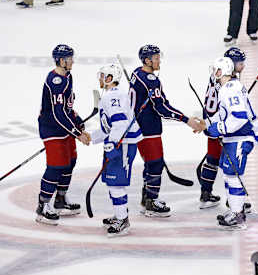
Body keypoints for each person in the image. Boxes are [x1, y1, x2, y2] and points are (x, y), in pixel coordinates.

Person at [130, 45, 206, 218]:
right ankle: (151, 201)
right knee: (155, 164)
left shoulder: (136, 73)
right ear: (147, 61)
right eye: (155, 58)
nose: (159, 60)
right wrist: (187, 120)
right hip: (149, 130)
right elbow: (162, 107)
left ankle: (146, 197)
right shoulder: (151, 80)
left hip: (139, 128)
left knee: (150, 164)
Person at [36, 44, 90, 225]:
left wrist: (77, 119)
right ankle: (43, 206)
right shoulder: (55, 81)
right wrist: (77, 133)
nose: (72, 61)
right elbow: (58, 114)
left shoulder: (68, 76)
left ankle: (60, 199)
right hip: (52, 128)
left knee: (70, 162)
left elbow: (67, 108)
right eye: (69, 58)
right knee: (56, 166)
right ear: (61, 60)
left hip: (63, 127)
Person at [206, 57, 258, 230]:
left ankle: (238, 215)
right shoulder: (230, 87)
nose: (214, 73)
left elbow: (239, 117)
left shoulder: (229, 89)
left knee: (234, 176)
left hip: (239, 138)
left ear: (221, 71)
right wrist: (211, 125)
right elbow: (227, 114)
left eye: (216, 70)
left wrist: (219, 128)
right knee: (229, 175)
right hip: (234, 138)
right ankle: (235, 210)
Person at [88, 64, 143, 237]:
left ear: (110, 78)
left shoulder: (114, 95)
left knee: (116, 183)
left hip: (123, 144)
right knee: (113, 182)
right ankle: (119, 215)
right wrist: (91, 137)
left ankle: (123, 221)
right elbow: (108, 127)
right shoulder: (110, 95)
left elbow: (119, 122)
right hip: (118, 142)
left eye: (103, 75)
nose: (100, 78)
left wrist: (112, 144)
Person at [198, 47, 246, 210]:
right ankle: (233, 200)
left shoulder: (216, 76)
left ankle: (206, 193)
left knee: (212, 158)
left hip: (213, 122)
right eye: (240, 63)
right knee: (229, 162)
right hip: (221, 125)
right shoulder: (228, 83)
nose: (243, 66)